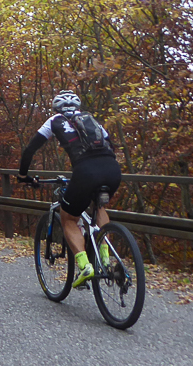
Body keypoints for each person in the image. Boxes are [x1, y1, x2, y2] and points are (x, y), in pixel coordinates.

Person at [17, 90, 122, 286]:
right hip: (112, 169)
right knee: (100, 207)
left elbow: (30, 149)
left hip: (86, 172)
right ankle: (105, 257)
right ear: (77, 106)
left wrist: (23, 175)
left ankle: (85, 266)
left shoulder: (54, 120)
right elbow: (110, 145)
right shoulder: (90, 119)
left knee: (68, 218)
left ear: (56, 108)